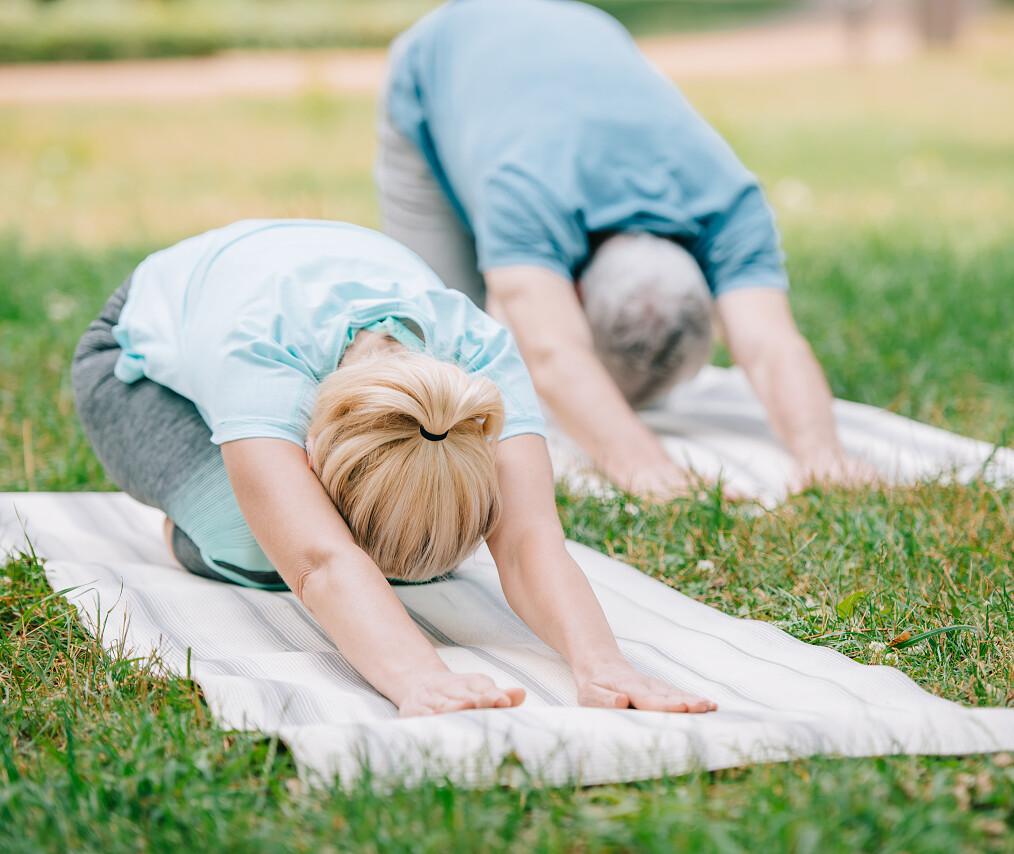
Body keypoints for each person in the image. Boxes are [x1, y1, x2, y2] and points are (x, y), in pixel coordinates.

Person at [71, 218, 715, 717]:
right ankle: (200, 524)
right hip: (132, 365)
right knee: (265, 542)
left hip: (291, 282)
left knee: (413, 539)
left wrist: (603, 664)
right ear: (313, 453)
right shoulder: (263, 365)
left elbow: (525, 541)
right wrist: (419, 677)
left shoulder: (480, 362)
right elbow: (320, 560)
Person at [376, 0, 879, 498]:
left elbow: (772, 346)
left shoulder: (731, 204)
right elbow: (553, 352)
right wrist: (645, 468)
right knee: (440, 349)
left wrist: (823, 456)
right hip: (446, 48)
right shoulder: (526, 192)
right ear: (573, 292)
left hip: (581, 28)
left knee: (505, 321)